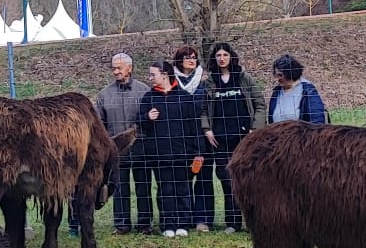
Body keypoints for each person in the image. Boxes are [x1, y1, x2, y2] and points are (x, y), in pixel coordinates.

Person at [201, 41, 261, 232]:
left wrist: (255, 129)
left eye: (225, 55)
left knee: (249, 180)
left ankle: (254, 221)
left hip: (244, 139)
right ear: (214, 59)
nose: (222, 58)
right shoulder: (210, 82)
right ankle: (232, 222)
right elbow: (203, 109)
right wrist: (207, 129)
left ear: (231, 57)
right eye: (218, 55)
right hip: (220, 139)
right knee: (227, 180)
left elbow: (259, 104)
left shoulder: (244, 79)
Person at [140, 62, 203, 237]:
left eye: (153, 75)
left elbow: (194, 127)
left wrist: (198, 152)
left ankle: (183, 224)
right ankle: (168, 225)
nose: (150, 78)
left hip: (183, 155)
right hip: (159, 156)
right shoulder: (148, 98)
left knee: (183, 189)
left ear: (165, 75)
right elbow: (140, 125)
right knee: (164, 190)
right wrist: (147, 117)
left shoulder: (184, 97)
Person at [95, 53, 153, 235]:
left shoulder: (144, 91)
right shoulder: (104, 95)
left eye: (119, 68)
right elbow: (99, 125)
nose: (115, 71)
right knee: (119, 188)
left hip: (141, 148)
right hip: (116, 152)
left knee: (143, 186)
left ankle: (145, 223)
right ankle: (121, 224)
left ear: (130, 68)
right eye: (113, 68)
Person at [267, 55, 328, 126]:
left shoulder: (308, 92)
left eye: (280, 75)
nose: (277, 78)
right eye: (275, 75)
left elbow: (317, 123)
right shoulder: (277, 92)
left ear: (289, 74)